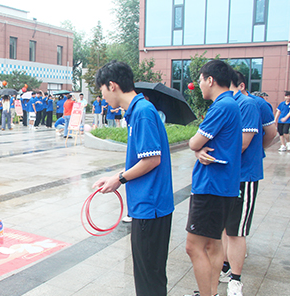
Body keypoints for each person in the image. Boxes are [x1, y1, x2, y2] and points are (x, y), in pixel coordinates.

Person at [92, 60, 174, 296]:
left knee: (149, 277)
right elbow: (142, 157)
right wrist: (116, 175)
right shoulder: (137, 111)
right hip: (146, 205)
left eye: (102, 90)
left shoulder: (142, 112)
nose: (103, 96)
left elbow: (152, 160)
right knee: (149, 273)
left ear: (112, 85)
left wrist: (119, 178)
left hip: (151, 206)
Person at [185, 60, 241, 296]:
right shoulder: (232, 104)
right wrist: (199, 151)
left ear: (211, 80)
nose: (199, 85)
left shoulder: (221, 107)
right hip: (224, 186)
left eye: (200, 80)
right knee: (214, 244)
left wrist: (196, 148)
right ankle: (212, 292)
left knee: (193, 246)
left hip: (211, 186)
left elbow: (194, 142)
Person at [219, 70, 263, 296]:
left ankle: (235, 279)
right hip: (229, 175)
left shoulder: (246, 104)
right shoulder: (229, 103)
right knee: (227, 226)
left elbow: (243, 144)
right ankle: (225, 266)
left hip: (244, 176)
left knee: (237, 230)